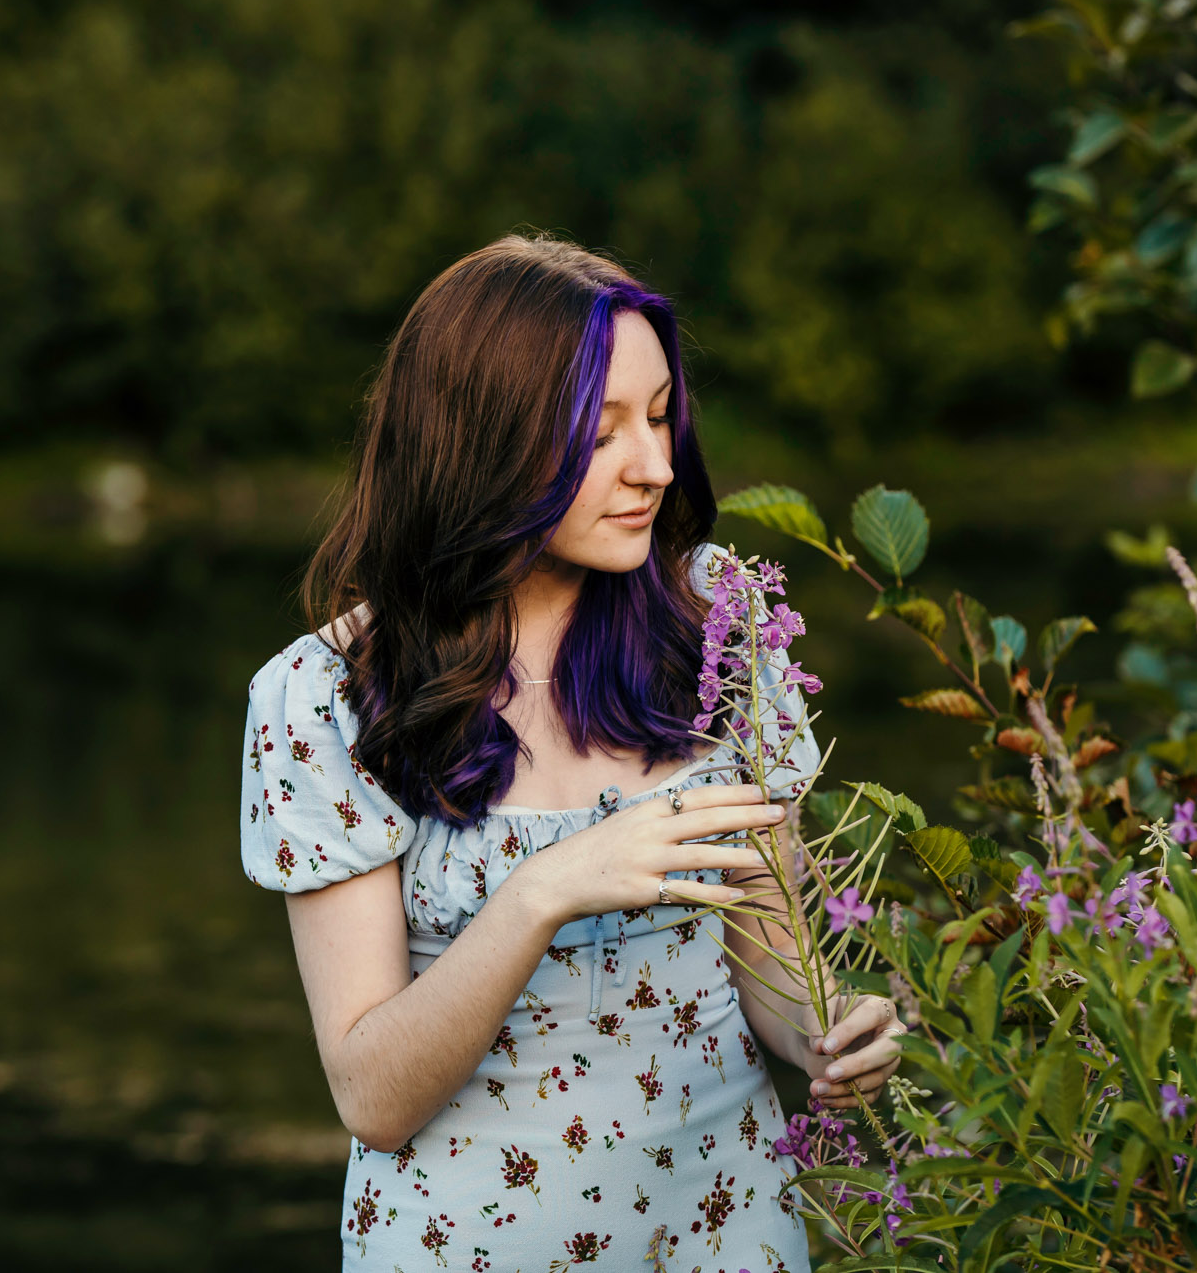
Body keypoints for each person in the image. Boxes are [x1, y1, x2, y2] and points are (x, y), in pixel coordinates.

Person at [237, 234, 905, 1272]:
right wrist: (541, 893)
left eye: (656, 417)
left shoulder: (717, 621)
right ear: (480, 443)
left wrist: (829, 1034)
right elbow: (371, 1096)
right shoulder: (321, 697)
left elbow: (773, 970)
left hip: (728, 1234)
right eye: (599, 436)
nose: (655, 466)